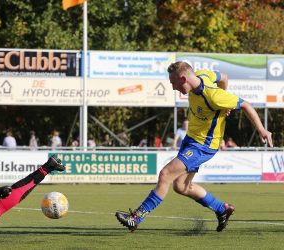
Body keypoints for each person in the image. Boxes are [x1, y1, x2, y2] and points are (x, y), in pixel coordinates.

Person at [115, 61, 273, 233]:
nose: (174, 88)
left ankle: (136, 217)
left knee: (165, 174)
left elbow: (245, 104)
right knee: (181, 186)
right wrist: (224, 99)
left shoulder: (213, 96)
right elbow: (224, 77)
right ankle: (222, 209)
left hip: (203, 145)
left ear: (183, 79)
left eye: (174, 83)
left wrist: (261, 129)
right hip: (191, 140)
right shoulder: (202, 75)